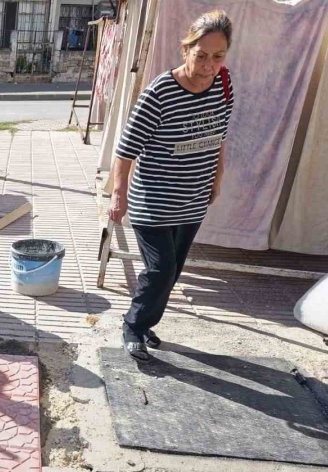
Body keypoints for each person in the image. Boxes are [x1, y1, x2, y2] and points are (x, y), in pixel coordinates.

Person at [109, 10, 235, 362]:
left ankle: (147, 321)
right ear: (186, 50)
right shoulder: (160, 92)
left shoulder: (224, 84)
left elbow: (219, 138)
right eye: (201, 55)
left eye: (218, 56)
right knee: (160, 269)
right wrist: (119, 195)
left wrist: (217, 179)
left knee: (173, 271)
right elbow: (126, 150)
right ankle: (132, 325)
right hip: (153, 201)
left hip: (193, 200)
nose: (209, 64)